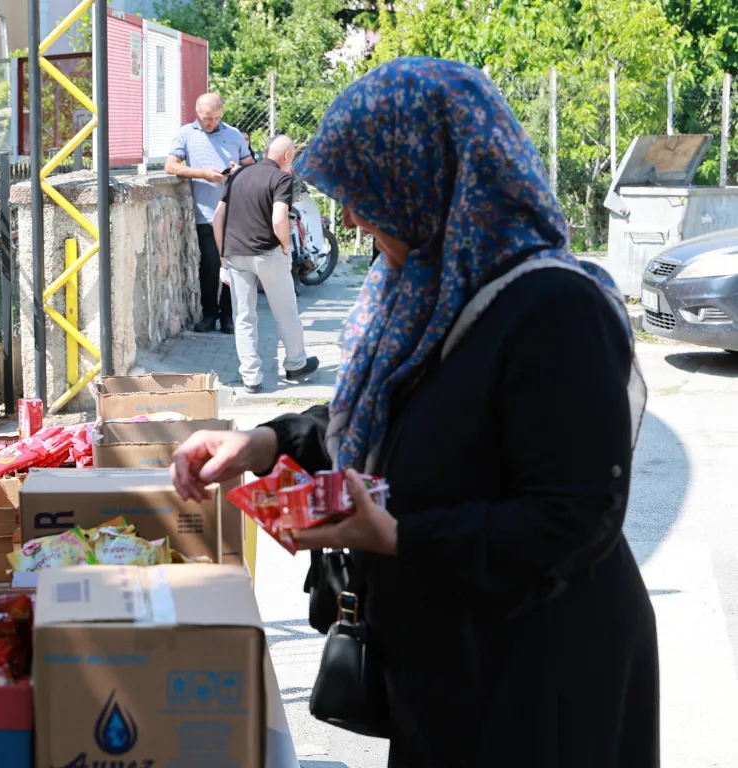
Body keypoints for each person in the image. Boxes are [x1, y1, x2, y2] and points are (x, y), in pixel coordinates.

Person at [171, 58, 657, 767]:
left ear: (435, 172)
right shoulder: (422, 285)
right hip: (447, 668)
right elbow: (384, 414)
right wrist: (265, 443)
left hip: (539, 681)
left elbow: (573, 517)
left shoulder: (555, 309)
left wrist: (400, 536)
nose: (352, 217)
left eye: (366, 191)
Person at [212, 134, 320, 393]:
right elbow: (279, 218)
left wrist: (222, 255)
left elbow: (218, 218)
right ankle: (295, 364)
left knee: (244, 317)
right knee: (286, 312)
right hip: (267, 254)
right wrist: (285, 245)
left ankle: (251, 378)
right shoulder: (282, 178)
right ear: (287, 157)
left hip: (235, 254)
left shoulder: (237, 175)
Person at [166, 93, 253, 334]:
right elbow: (170, 165)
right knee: (210, 264)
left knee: (233, 265)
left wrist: (237, 171)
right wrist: (203, 174)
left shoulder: (234, 135)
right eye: (207, 118)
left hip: (235, 211)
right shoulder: (186, 134)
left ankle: (228, 316)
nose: (211, 123)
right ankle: (209, 314)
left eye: (216, 118)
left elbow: (251, 166)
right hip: (205, 212)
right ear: (197, 112)